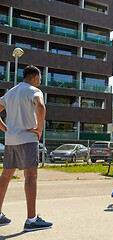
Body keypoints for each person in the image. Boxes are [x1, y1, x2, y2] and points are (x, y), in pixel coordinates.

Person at [0, 65, 52, 231]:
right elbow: (41, 106)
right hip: (27, 138)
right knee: (31, 176)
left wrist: (6, 129)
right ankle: (31, 220)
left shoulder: (11, 92)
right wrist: (39, 130)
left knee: (6, 176)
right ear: (35, 78)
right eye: (40, 79)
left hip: (10, 139)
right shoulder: (34, 90)